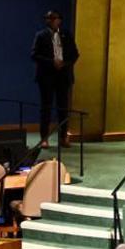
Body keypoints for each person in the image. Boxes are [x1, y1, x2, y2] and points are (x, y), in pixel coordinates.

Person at [32, 10, 80, 148]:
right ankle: (44, 139)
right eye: (48, 18)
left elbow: (75, 54)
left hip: (63, 76)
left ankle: (63, 137)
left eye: (53, 18)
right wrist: (51, 62)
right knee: (46, 108)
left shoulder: (66, 35)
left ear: (59, 20)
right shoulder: (40, 36)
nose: (50, 20)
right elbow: (34, 55)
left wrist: (64, 63)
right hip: (46, 76)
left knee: (63, 108)